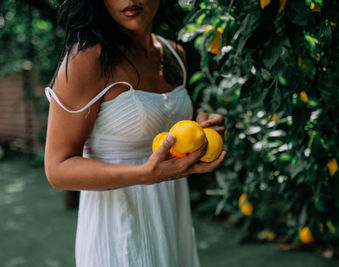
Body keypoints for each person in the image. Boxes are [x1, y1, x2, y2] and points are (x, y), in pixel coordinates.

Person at [43, 0, 227, 266]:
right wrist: (144, 174)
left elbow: (168, 137)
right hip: (118, 226)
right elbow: (57, 169)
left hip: (171, 215)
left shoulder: (174, 53)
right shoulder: (86, 59)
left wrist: (202, 129)